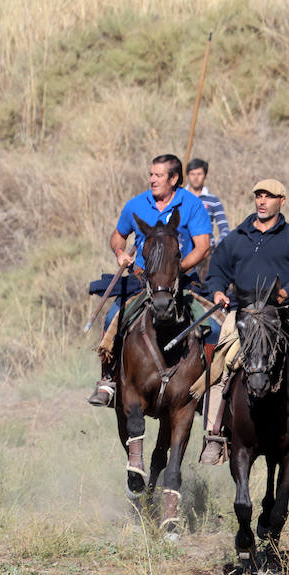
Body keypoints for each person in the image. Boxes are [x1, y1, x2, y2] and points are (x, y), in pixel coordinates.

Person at [88, 154, 212, 407]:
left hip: (180, 281)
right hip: (142, 280)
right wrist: (120, 252)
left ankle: (207, 388)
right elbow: (118, 235)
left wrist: (176, 269)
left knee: (214, 327)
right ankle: (107, 380)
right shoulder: (136, 204)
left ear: (174, 178)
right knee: (113, 316)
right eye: (151, 174)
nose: (152, 179)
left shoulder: (191, 205)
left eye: (158, 175)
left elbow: (203, 247)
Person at [196, 178, 289, 465]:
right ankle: (215, 435)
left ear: (281, 202)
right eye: (259, 196)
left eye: (269, 196)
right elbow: (217, 271)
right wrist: (218, 290)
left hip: (281, 315)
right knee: (220, 363)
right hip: (243, 315)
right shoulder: (236, 237)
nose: (262, 201)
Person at [186, 157, 231, 251]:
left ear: (205, 176)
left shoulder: (213, 200)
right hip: (183, 250)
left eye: (199, 174)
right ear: (187, 175)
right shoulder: (179, 198)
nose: (195, 178)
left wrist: (218, 247)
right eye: (192, 174)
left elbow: (224, 228)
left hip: (207, 251)